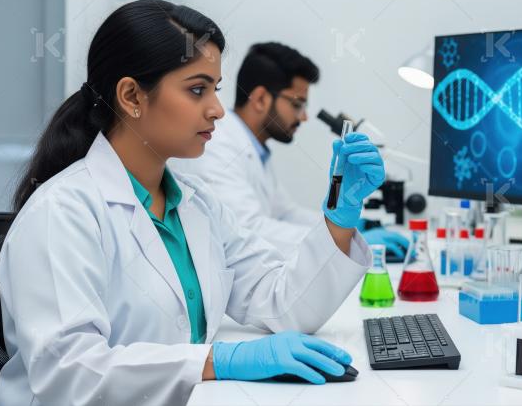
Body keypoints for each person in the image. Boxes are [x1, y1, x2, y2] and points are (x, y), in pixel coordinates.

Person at [0, 0, 384, 406]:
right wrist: (218, 359)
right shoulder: (61, 213)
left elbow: (281, 304)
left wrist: (339, 219)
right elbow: (68, 374)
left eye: (215, 89)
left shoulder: (197, 205)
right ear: (131, 96)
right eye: (197, 90)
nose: (217, 110)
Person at [170, 42, 409, 258]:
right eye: (297, 104)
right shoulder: (216, 146)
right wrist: (341, 238)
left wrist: (349, 225)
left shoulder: (256, 150)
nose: (303, 117)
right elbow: (248, 229)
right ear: (260, 99)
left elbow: (286, 213)